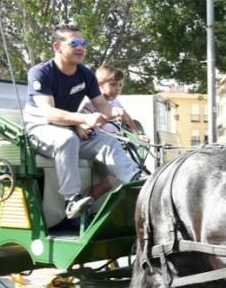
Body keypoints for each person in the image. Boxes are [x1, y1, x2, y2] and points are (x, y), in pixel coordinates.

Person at [24, 23, 141, 220]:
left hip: (70, 129)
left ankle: (140, 185)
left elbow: (102, 106)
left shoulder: (85, 73)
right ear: (57, 46)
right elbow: (49, 113)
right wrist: (84, 119)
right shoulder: (40, 72)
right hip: (40, 129)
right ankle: (72, 200)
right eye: (75, 43)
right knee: (67, 139)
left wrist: (116, 112)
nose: (81, 47)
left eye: (83, 43)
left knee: (109, 142)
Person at [93, 65, 141, 136]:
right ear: (100, 84)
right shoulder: (92, 102)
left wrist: (138, 134)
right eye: (113, 84)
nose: (118, 88)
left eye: (120, 85)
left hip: (115, 137)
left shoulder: (115, 102)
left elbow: (127, 117)